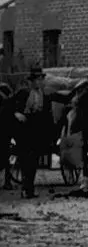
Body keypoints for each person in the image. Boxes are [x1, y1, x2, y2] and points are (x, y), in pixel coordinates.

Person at [13, 64, 49, 199]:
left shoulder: (42, 94)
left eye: (41, 79)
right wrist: (17, 114)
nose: (39, 82)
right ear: (32, 81)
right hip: (25, 128)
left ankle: (30, 188)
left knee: (34, 160)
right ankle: (25, 187)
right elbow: (12, 105)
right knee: (25, 159)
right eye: (37, 79)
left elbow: (45, 112)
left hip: (36, 128)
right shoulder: (24, 93)